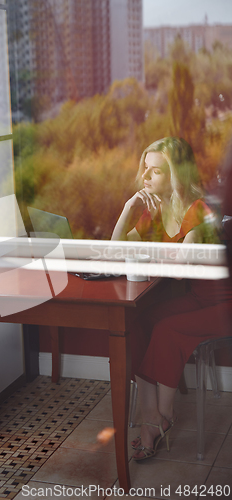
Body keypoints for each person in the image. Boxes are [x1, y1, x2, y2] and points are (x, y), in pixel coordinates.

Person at [111, 137, 232, 461]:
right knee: (140, 320)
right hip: (199, 297)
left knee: (166, 328)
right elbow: (115, 249)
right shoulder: (158, 208)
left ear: (176, 174)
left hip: (225, 303)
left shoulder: (200, 210)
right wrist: (128, 210)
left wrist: (146, 252)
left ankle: (162, 417)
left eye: (157, 171)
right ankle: (151, 412)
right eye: (145, 170)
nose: (146, 178)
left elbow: (179, 269)